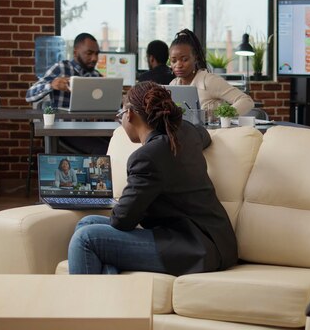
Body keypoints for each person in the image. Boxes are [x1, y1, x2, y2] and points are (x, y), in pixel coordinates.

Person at [68, 81, 238, 276]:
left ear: (130, 114)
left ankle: (88, 304)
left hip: (193, 248)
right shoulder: (187, 132)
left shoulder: (147, 157)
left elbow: (121, 222)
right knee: (86, 223)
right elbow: (204, 136)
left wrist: (123, 202)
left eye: (120, 116)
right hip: (219, 240)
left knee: (85, 239)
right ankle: (111, 294)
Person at [26, 33, 109, 154]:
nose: (94, 58)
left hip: (90, 129)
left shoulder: (95, 75)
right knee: (105, 151)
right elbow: (29, 95)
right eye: (89, 53)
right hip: (65, 130)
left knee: (119, 145)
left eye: (97, 54)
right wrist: (51, 85)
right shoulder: (61, 68)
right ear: (75, 52)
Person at [168, 28, 254, 115]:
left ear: (195, 58)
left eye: (185, 59)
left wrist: (223, 117)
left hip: (212, 129)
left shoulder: (209, 81)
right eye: (174, 61)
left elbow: (246, 101)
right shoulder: (173, 85)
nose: (178, 65)